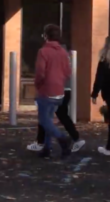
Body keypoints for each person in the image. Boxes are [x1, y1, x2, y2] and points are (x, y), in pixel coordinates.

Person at [27, 44, 85, 153]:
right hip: (66, 89)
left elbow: (43, 73)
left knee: (45, 116)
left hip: (55, 90)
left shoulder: (52, 55)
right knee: (61, 116)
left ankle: (44, 143)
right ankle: (73, 139)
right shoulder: (65, 56)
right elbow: (68, 73)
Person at [34, 24, 73, 158]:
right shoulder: (63, 52)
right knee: (49, 120)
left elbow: (40, 72)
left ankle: (62, 138)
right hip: (59, 90)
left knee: (44, 120)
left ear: (46, 36)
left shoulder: (43, 51)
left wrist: (38, 85)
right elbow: (68, 72)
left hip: (46, 90)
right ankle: (47, 148)